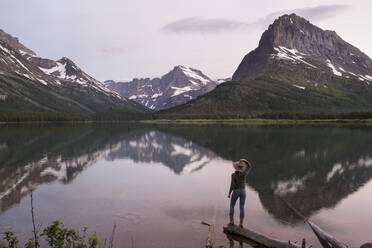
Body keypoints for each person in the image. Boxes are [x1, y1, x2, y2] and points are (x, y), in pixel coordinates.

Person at [228, 158, 252, 228]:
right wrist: (245, 161)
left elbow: (232, 185)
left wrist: (229, 193)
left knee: (232, 205)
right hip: (243, 191)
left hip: (236, 191)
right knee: (242, 207)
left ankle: (231, 222)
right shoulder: (244, 174)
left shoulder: (233, 175)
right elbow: (249, 166)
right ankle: (241, 224)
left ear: (236, 167)